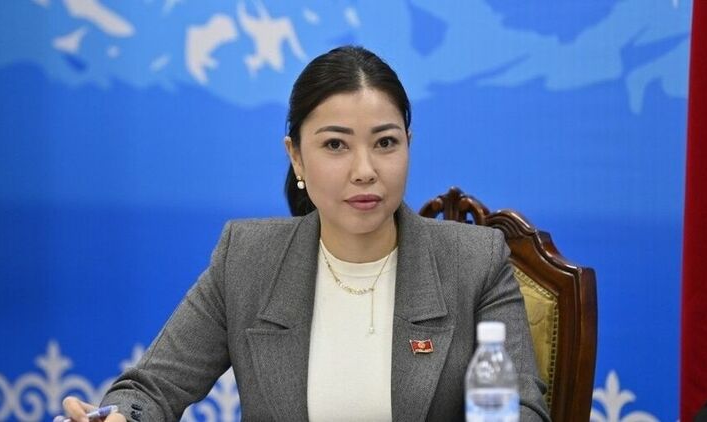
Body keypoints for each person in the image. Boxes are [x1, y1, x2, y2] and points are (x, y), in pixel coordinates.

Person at [57, 45, 549, 421]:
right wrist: (121, 417)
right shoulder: (248, 259)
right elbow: (150, 390)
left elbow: (523, 409)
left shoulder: (473, 261)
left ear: (408, 144)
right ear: (296, 156)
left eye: (385, 143)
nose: (365, 170)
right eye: (335, 145)